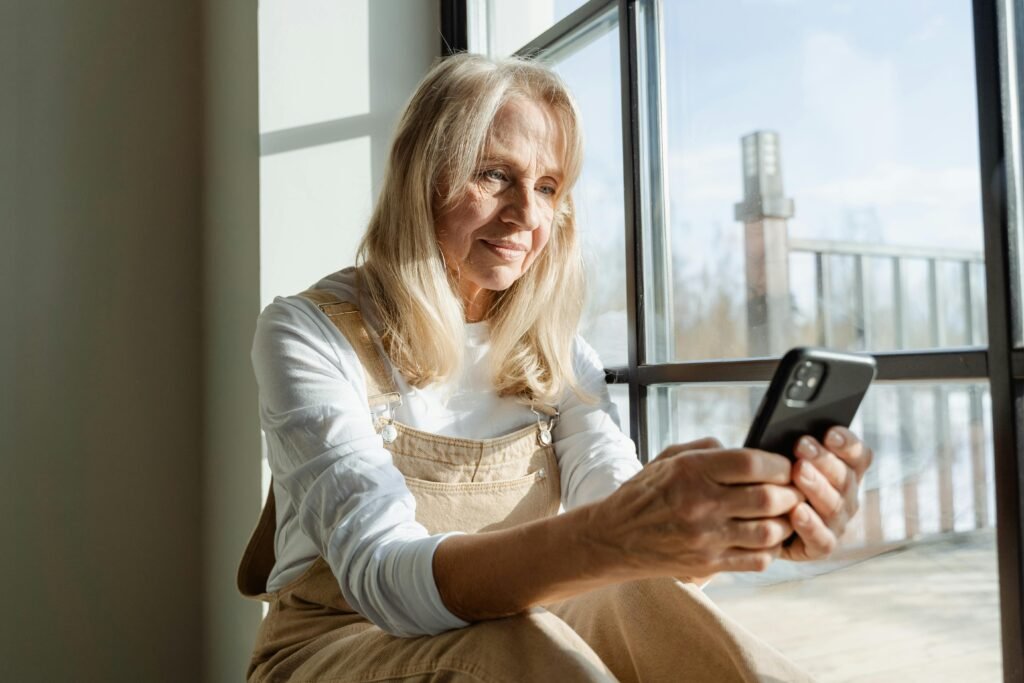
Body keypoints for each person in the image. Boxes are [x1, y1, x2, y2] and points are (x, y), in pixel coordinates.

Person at [238, 53, 873, 682]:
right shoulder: (308, 332)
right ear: (420, 178)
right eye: (492, 175)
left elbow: (624, 531)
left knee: (646, 602)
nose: (528, 215)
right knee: (525, 644)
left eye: (547, 187)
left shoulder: (559, 354)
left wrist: (742, 520)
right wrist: (617, 532)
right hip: (336, 644)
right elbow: (383, 580)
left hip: (517, 620)